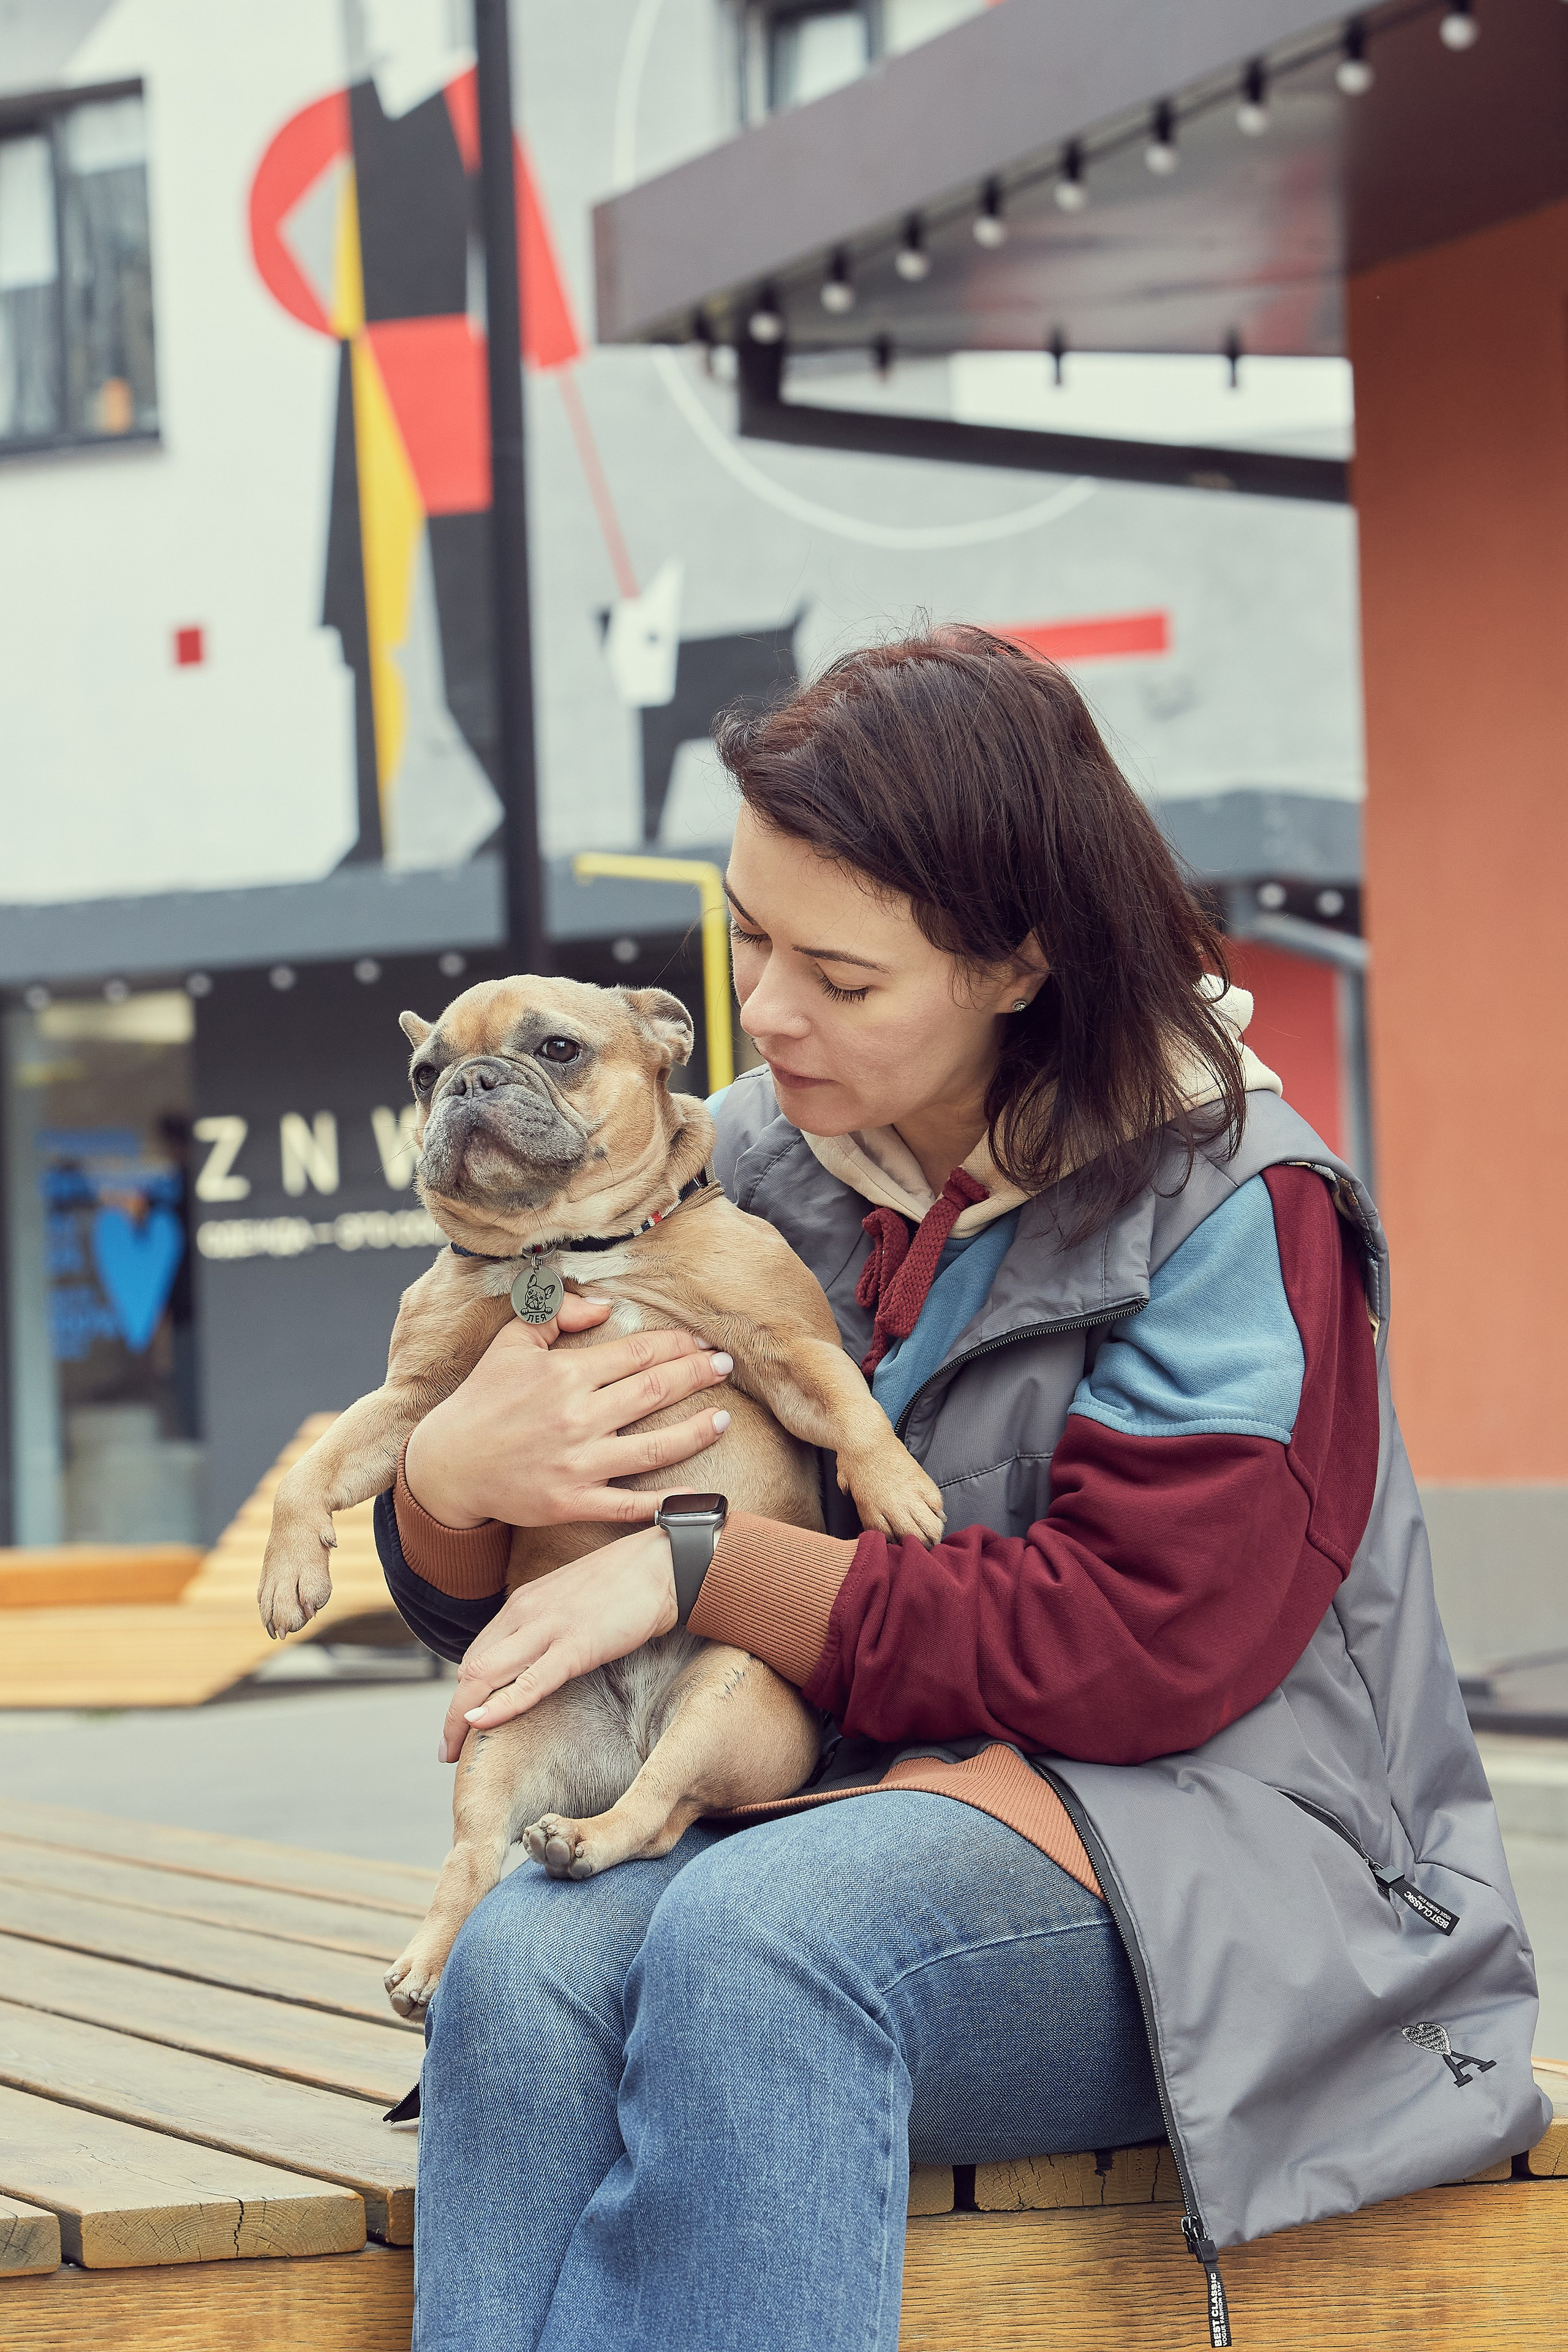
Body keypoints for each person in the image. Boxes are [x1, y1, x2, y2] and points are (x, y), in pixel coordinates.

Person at [377, 629, 1545, 2352]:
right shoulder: (745, 1168)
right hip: (854, 1796)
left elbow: (1144, 1652)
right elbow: (541, 1591)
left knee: (769, 1942)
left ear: (1017, 965)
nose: (767, 1015)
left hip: (1235, 1875)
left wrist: (708, 1570)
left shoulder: (1236, 1202)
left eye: (839, 982)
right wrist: (448, 1489)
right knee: (530, 1962)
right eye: (750, 937)